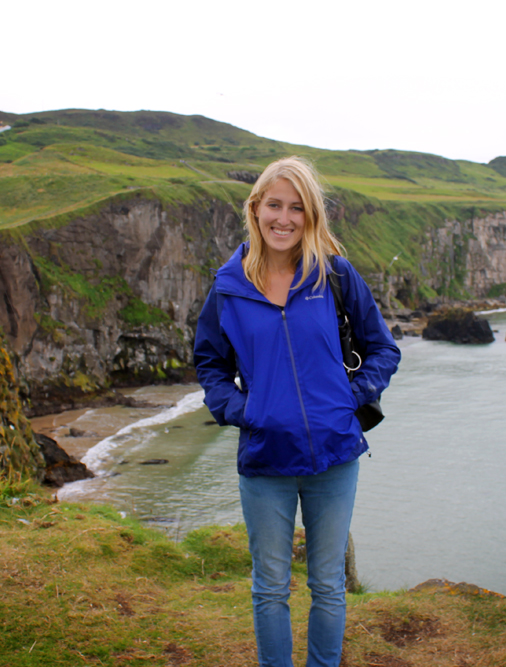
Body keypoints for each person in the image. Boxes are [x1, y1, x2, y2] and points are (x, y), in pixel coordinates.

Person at [193, 156, 401, 666]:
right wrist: (246, 410)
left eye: (297, 208)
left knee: (328, 584)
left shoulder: (333, 275)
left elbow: (383, 349)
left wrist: (345, 401)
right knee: (270, 588)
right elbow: (209, 363)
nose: (284, 219)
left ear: (311, 216)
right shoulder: (229, 287)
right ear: (255, 208)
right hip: (266, 458)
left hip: (335, 456)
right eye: (274, 205)